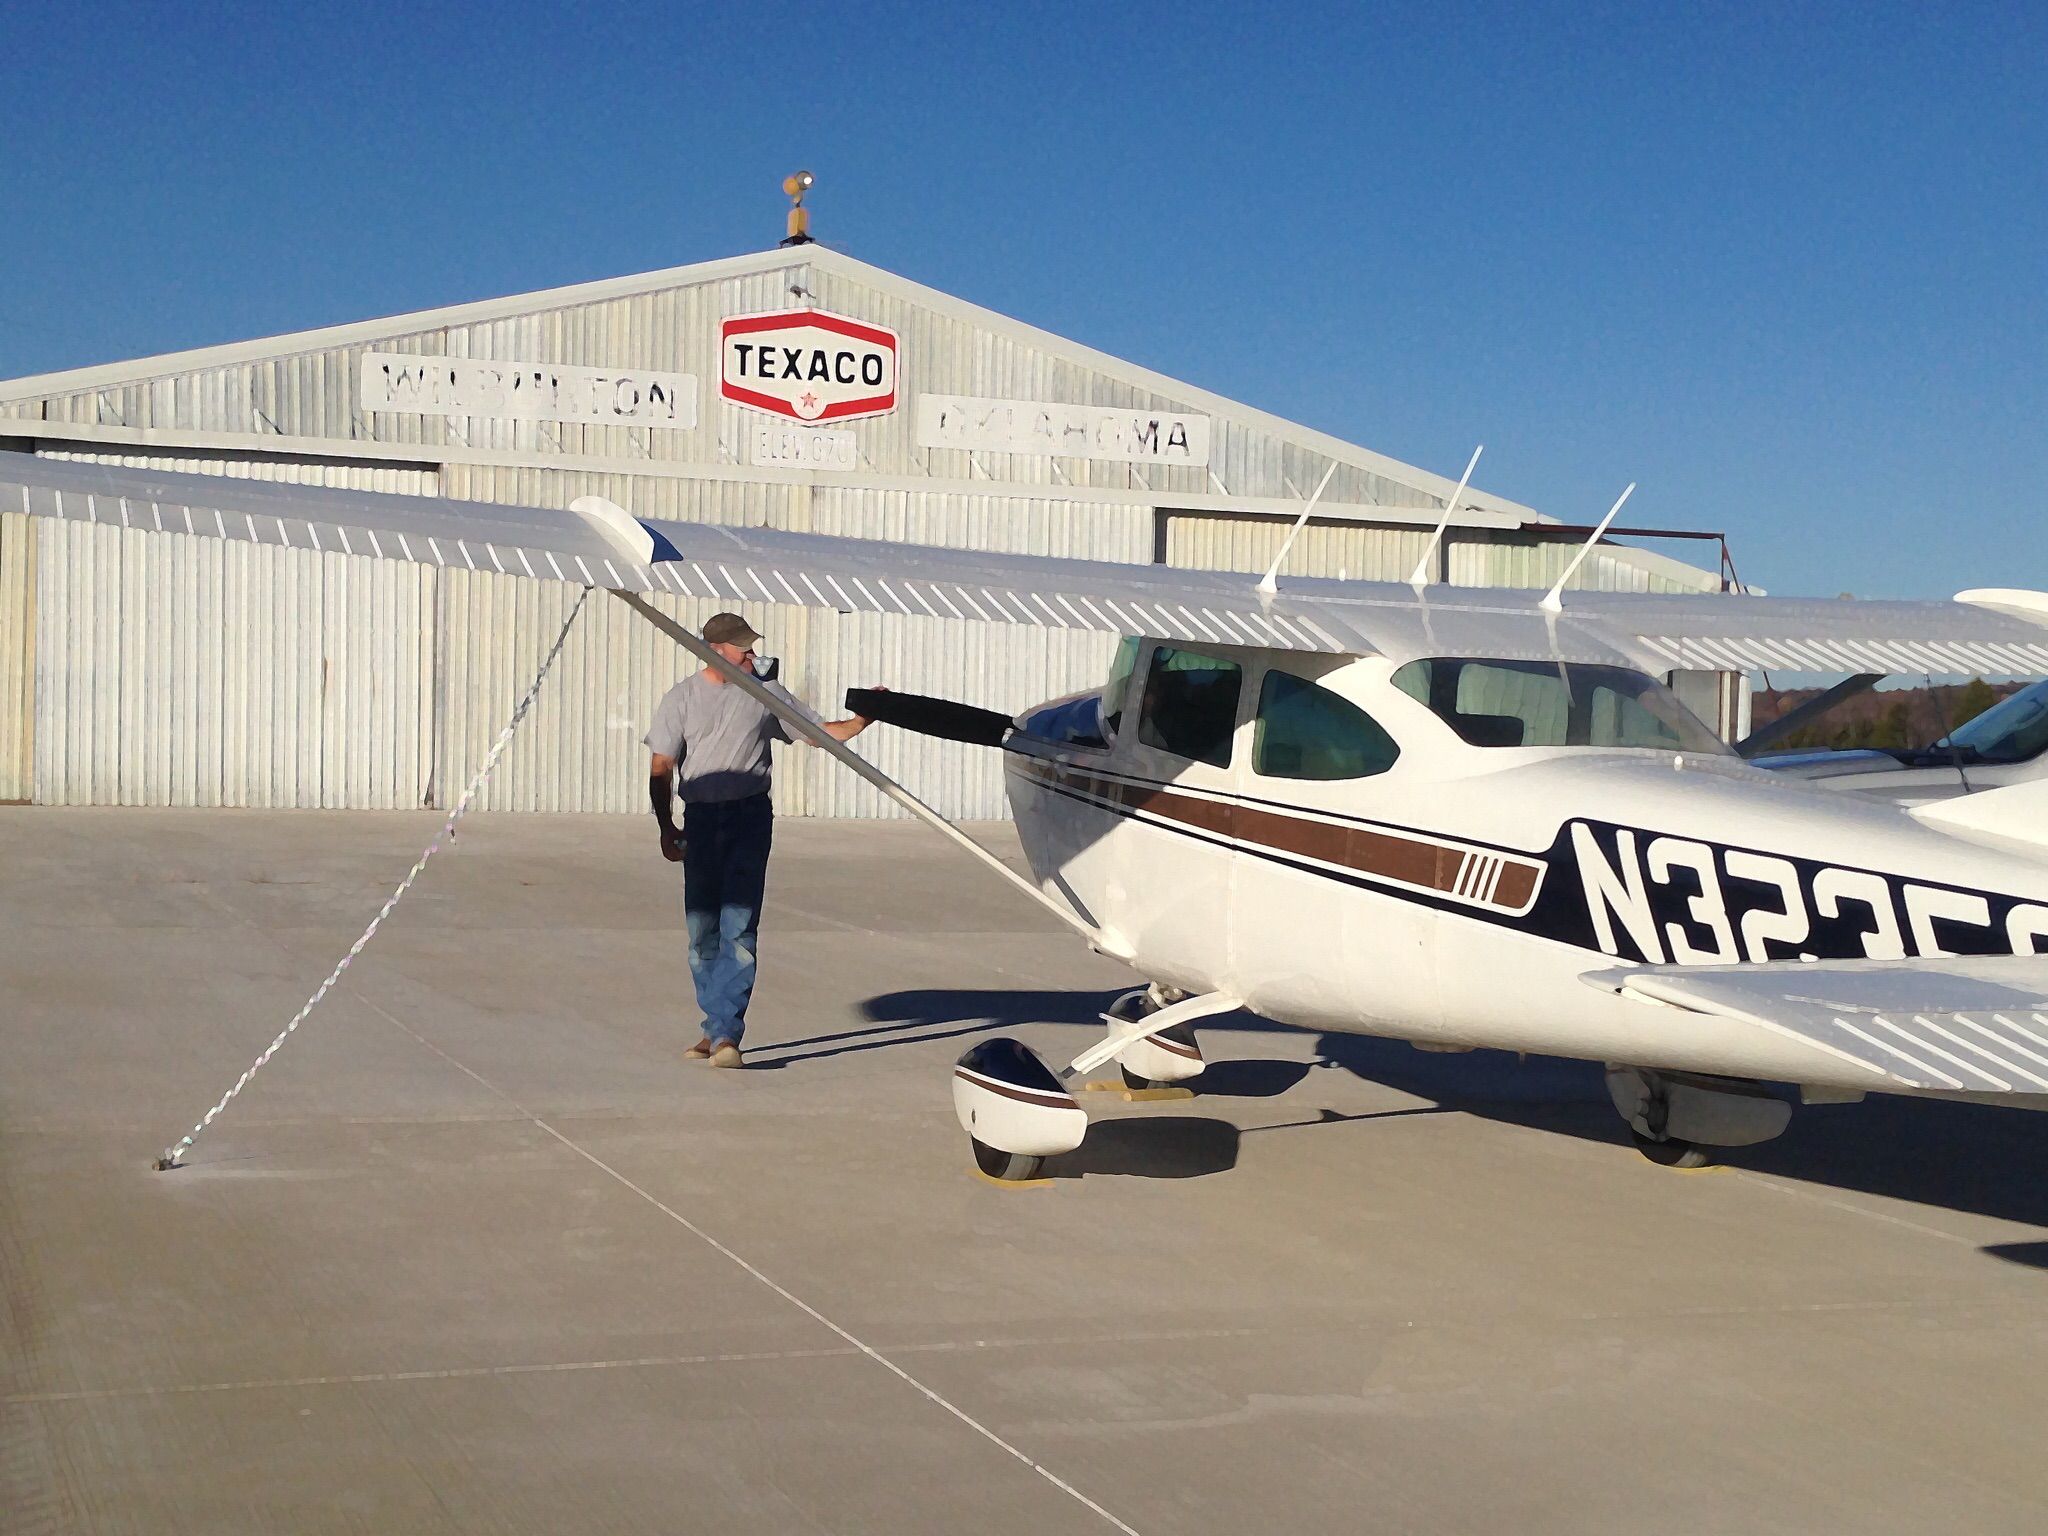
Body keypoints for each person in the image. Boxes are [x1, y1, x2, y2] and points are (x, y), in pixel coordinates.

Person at [644, 612, 877, 1068]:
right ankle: (714, 1027)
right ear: (713, 650)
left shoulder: (765, 693)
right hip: (702, 821)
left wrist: (864, 720)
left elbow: (819, 735)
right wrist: (665, 826)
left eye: (751, 647)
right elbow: (661, 766)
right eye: (742, 649)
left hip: (750, 817)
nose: (752, 655)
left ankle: (728, 1034)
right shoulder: (681, 698)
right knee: (701, 931)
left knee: (738, 923)